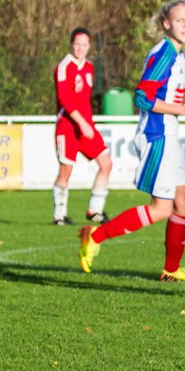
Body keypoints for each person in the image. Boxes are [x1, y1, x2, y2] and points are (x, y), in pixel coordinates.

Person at [78, 0, 185, 280]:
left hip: (170, 132)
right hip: (157, 135)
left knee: (184, 200)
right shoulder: (164, 53)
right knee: (162, 208)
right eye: (179, 20)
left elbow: (166, 96)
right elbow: (142, 96)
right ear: (166, 24)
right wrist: (181, 109)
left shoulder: (179, 55)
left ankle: (172, 269)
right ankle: (95, 235)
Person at [52, 27, 113, 225]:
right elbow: (65, 100)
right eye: (76, 44)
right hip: (68, 126)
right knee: (66, 170)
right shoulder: (64, 66)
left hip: (86, 126)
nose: (80, 48)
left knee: (106, 163)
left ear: (89, 47)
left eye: (84, 44)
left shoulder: (88, 67)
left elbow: (83, 99)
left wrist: (88, 123)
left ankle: (95, 210)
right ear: (71, 44)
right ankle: (59, 215)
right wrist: (82, 123)